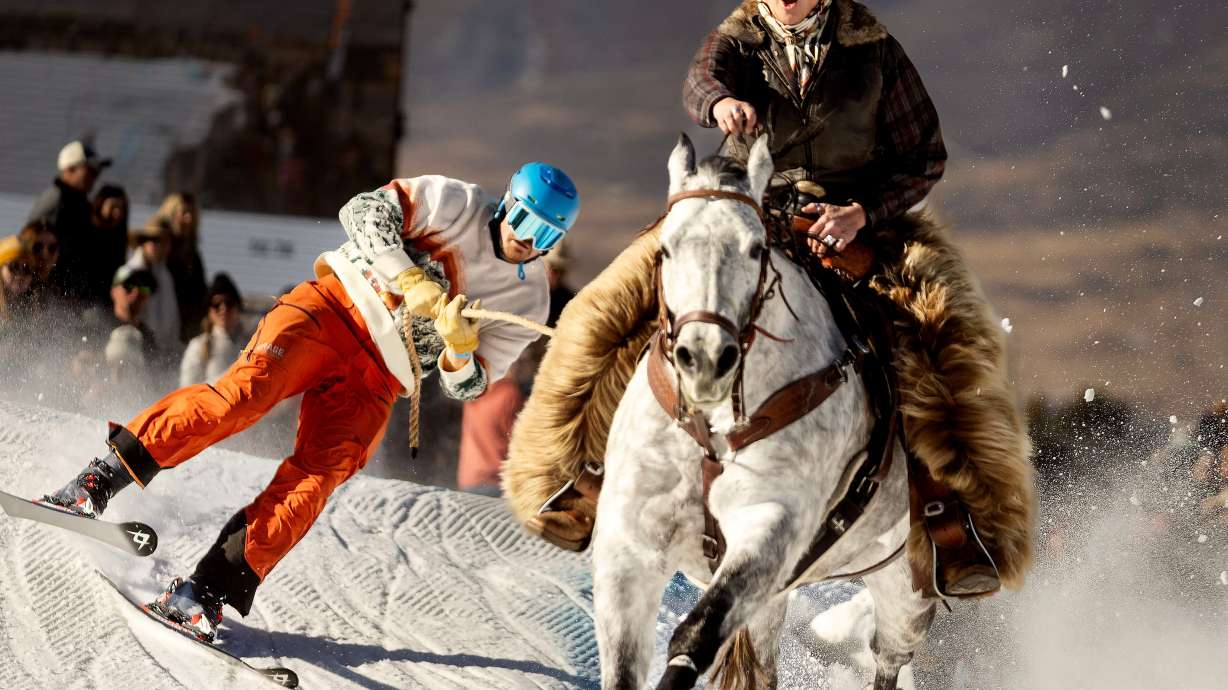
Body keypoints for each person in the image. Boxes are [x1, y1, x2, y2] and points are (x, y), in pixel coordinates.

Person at [509, 0, 1032, 600]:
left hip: (855, 221)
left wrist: (862, 212)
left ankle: (957, 519)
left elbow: (924, 157)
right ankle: (577, 477)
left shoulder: (874, 50)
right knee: (607, 307)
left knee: (947, 330)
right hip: (744, 209)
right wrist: (718, 103)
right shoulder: (737, 38)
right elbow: (699, 81)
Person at [41, 163, 579, 642]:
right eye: (525, 223)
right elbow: (363, 212)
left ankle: (206, 591)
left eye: (547, 235)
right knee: (241, 399)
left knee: (316, 478)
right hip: (335, 308)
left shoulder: (529, 296)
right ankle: (99, 479)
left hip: (383, 375)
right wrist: (409, 275)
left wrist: (460, 352)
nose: (529, 242)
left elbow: (471, 386)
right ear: (507, 204)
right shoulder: (457, 201)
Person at [28, 140, 111, 304]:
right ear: (69, 169)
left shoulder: (80, 203)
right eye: (90, 171)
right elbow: (31, 246)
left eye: (97, 172)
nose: (95, 176)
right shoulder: (56, 199)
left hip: (76, 296)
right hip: (53, 296)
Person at [152, 193, 208, 344]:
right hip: (159, 318)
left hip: (186, 326)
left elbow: (200, 289)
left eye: (191, 214)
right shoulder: (158, 247)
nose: (188, 219)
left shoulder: (192, 253)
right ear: (171, 214)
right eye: (184, 213)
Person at [125, 219, 182, 358]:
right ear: (143, 242)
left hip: (163, 351)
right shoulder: (128, 273)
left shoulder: (166, 275)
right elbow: (123, 312)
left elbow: (172, 319)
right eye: (154, 240)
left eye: (164, 241)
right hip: (136, 346)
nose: (159, 246)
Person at [179, 273, 246, 388]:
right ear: (209, 311)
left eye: (229, 303)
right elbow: (187, 390)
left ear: (237, 307)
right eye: (216, 304)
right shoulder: (199, 345)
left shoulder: (250, 344)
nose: (223, 308)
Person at [89, 184, 131, 306]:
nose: (117, 212)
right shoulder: (85, 233)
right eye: (113, 206)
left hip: (108, 302)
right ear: (100, 204)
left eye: (121, 208)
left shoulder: (119, 237)